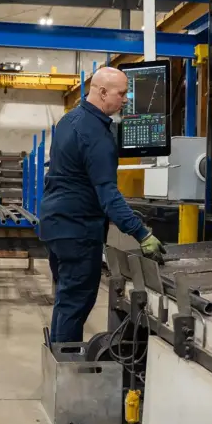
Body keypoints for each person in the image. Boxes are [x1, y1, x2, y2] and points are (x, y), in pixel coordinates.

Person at [40, 66, 162, 343]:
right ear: (102, 91)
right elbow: (108, 195)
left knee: (66, 298)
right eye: (121, 93)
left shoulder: (68, 120)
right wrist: (142, 233)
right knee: (76, 301)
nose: (126, 99)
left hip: (54, 224)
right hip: (78, 230)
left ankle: (59, 359)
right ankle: (69, 366)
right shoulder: (97, 136)